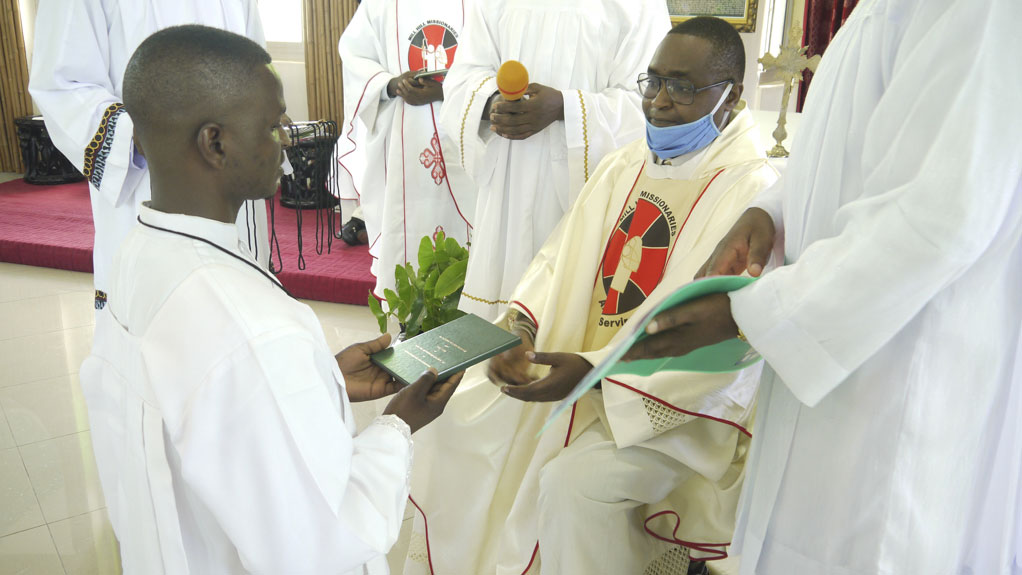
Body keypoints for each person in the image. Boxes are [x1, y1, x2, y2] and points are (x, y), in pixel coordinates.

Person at [623, 0, 1022, 573]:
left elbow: (940, 213)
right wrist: (769, 212)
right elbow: (846, 157)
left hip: (904, 379)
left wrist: (749, 315)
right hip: (839, 374)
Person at [79, 25, 463, 574]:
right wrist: (399, 424)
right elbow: (325, 540)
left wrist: (318, 380)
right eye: (275, 126)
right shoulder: (254, 328)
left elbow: (212, 420)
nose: (289, 142)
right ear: (216, 143)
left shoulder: (140, 254)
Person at [404, 19, 778, 575]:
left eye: (682, 87)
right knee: (460, 416)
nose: (658, 103)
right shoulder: (624, 165)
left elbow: (727, 343)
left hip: (672, 408)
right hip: (581, 370)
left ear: (730, 98)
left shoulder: (756, 192)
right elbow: (558, 260)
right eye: (651, 82)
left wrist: (594, 372)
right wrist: (521, 327)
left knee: (570, 482)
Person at [29, 1, 273, 311]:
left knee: (245, 308)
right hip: (150, 175)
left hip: (233, 164)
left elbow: (255, 60)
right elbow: (60, 86)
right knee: (161, 322)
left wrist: (261, 120)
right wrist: (158, 135)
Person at [439, 0, 671, 321]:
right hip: (510, 179)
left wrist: (565, 107)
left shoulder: (638, 6)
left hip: (588, 188)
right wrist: (492, 102)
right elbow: (464, 74)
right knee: (500, 325)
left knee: (572, 318)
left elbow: (649, 99)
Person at [334, 0, 474, 296]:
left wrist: (445, 89)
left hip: (464, 135)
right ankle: (411, 320)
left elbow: (491, 63)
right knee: (406, 240)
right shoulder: (380, 5)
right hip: (402, 140)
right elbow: (355, 56)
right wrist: (391, 84)